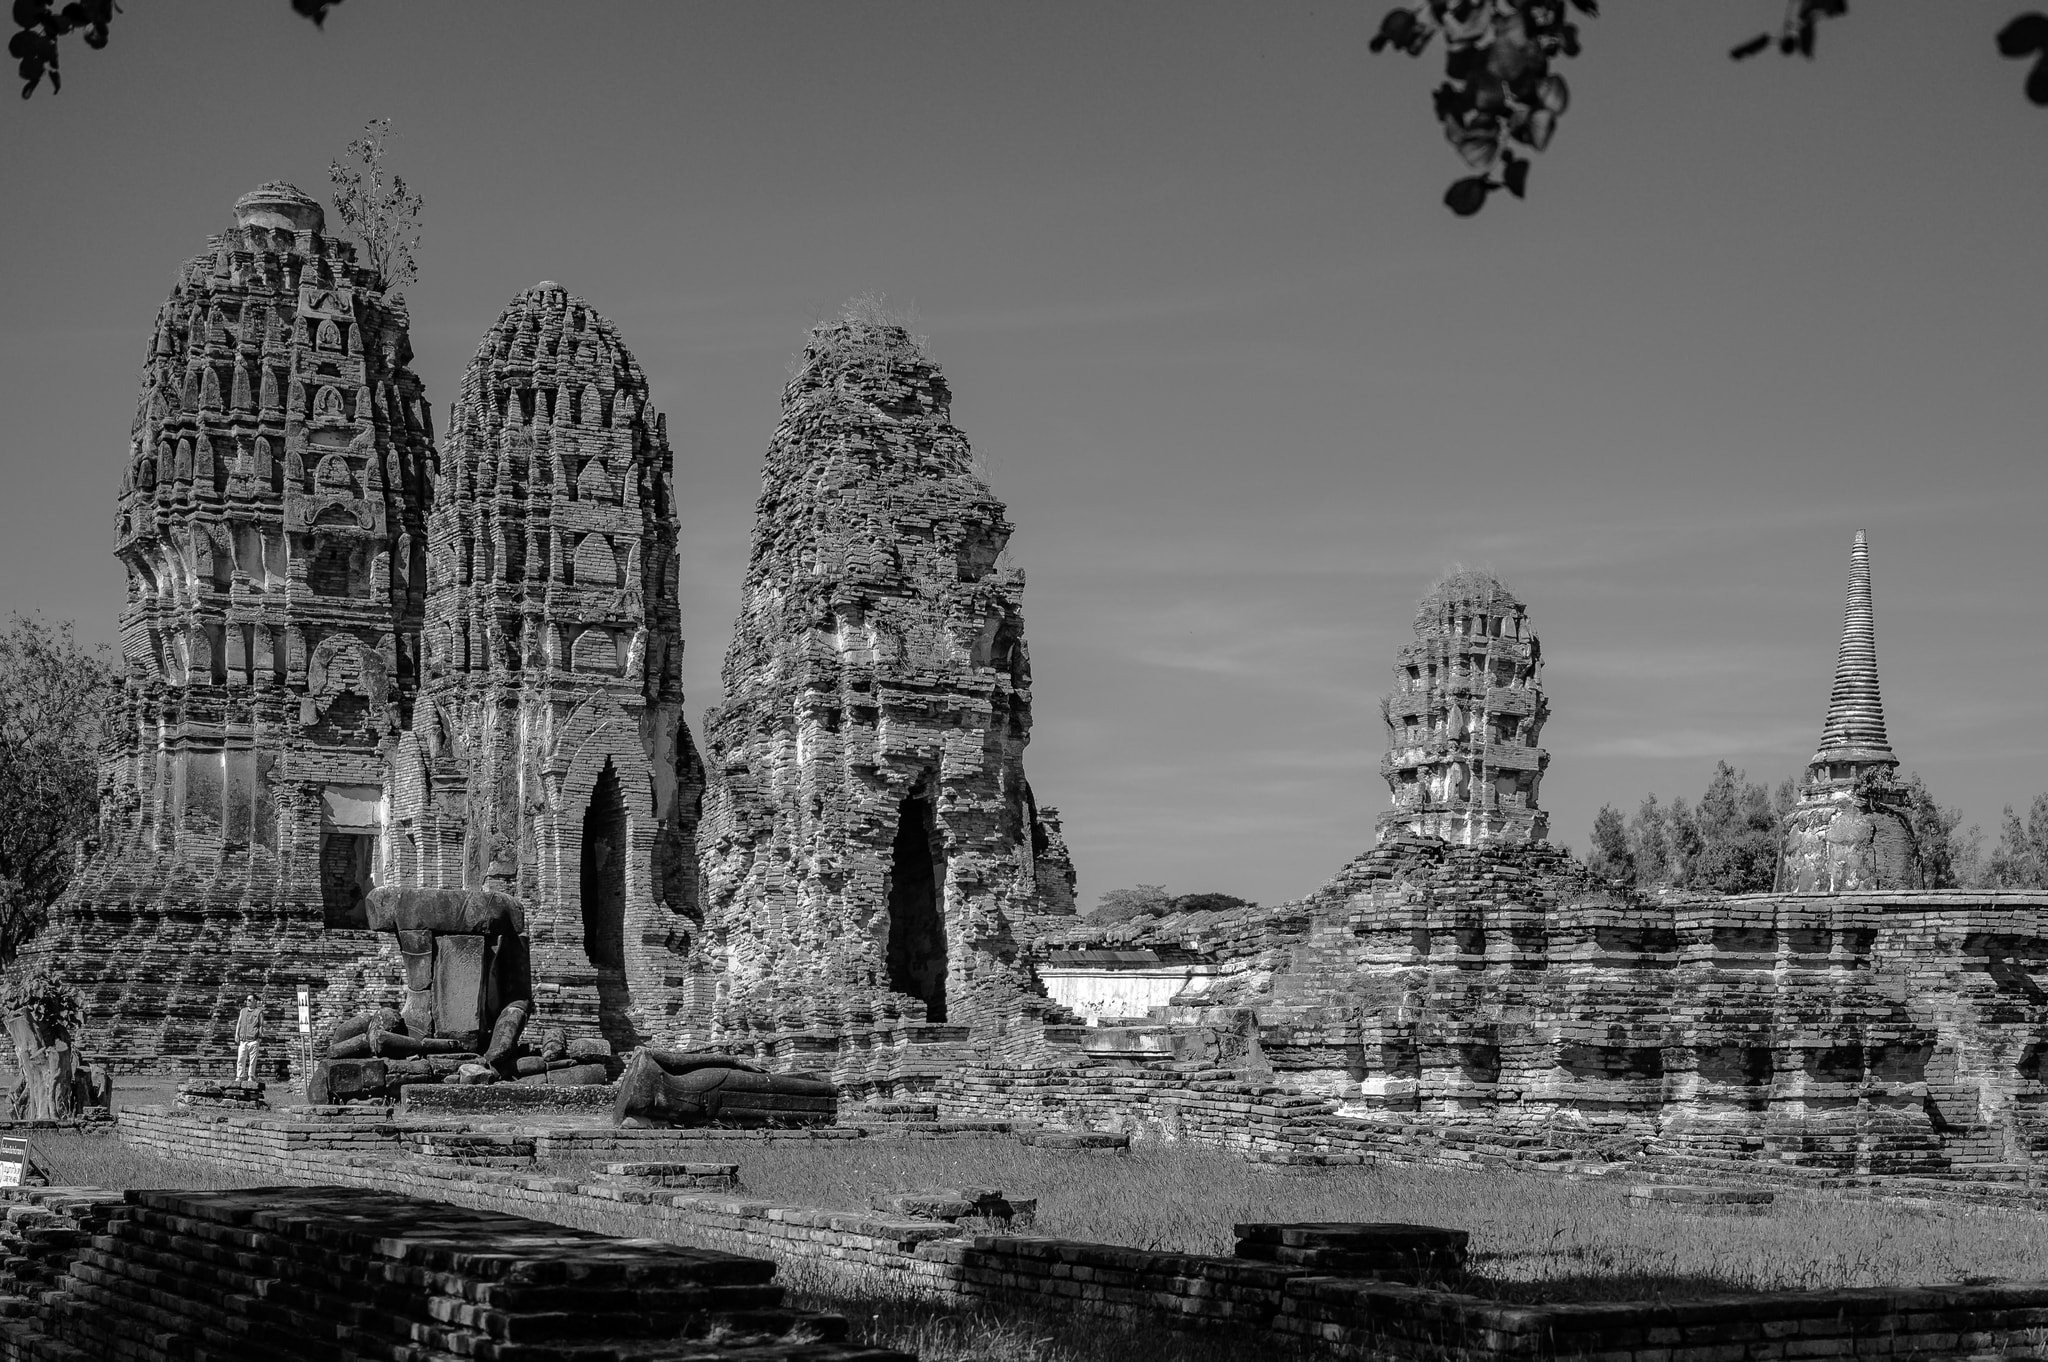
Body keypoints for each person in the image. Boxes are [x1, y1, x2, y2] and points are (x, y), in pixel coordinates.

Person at [233, 994, 263, 1083]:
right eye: (247, 1000)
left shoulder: (259, 1012)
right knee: (240, 1059)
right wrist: (236, 1034)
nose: (247, 1002)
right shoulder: (243, 1011)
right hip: (243, 1039)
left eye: (250, 1000)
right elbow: (239, 1023)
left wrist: (260, 1037)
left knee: (252, 1060)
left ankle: (251, 1076)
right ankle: (240, 1076)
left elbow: (261, 1025)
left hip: (253, 1039)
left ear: (254, 1001)